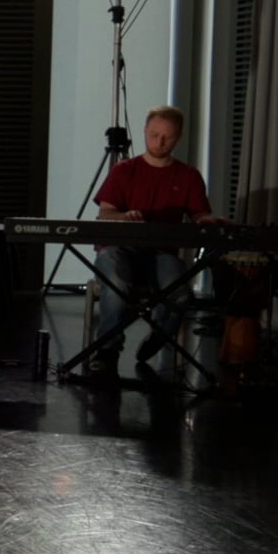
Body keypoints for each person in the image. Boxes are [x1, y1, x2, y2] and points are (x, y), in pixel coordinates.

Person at [90, 105, 221, 372]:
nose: (159, 142)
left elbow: (199, 214)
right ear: (145, 132)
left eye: (167, 137)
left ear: (179, 137)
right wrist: (125, 216)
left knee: (181, 295)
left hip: (161, 252)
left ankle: (158, 335)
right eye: (154, 135)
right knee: (116, 283)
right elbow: (105, 213)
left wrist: (206, 220)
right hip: (119, 247)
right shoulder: (124, 170)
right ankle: (107, 351)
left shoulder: (188, 176)